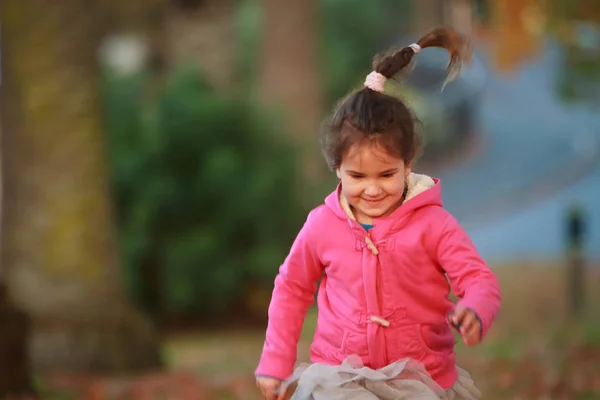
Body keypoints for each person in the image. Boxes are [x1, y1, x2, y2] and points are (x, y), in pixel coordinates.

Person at [255, 26, 502, 400]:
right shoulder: (322, 225)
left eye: (386, 174)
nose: (372, 189)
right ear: (336, 168)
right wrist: (276, 361)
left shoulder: (433, 225)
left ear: (408, 163)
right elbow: (291, 288)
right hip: (340, 375)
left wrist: (475, 307)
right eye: (357, 176)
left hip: (421, 377)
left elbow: (478, 278)